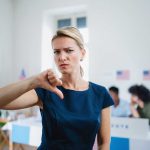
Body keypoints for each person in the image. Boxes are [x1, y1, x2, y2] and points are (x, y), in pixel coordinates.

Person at [0, 26, 114, 150]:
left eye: (69, 50)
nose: (61, 57)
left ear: (82, 53)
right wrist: (33, 81)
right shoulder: (46, 89)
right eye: (57, 52)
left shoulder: (100, 93)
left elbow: (104, 143)